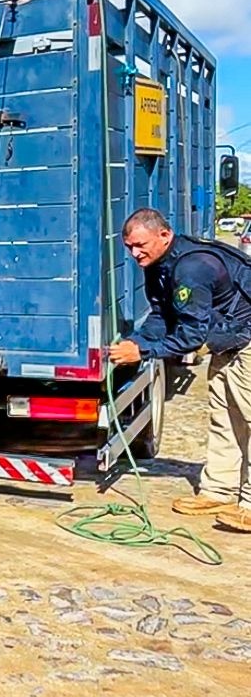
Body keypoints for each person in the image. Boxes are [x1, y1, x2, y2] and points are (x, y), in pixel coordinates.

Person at [108, 207, 251, 532]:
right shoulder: (158, 263)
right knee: (225, 417)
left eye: (140, 245)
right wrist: (136, 341)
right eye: (129, 247)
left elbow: (192, 335)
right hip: (228, 339)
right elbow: (162, 314)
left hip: (246, 336)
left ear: (164, 235)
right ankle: (220, 490)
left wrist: (142, 351)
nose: (135, 253)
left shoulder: (192, 267)